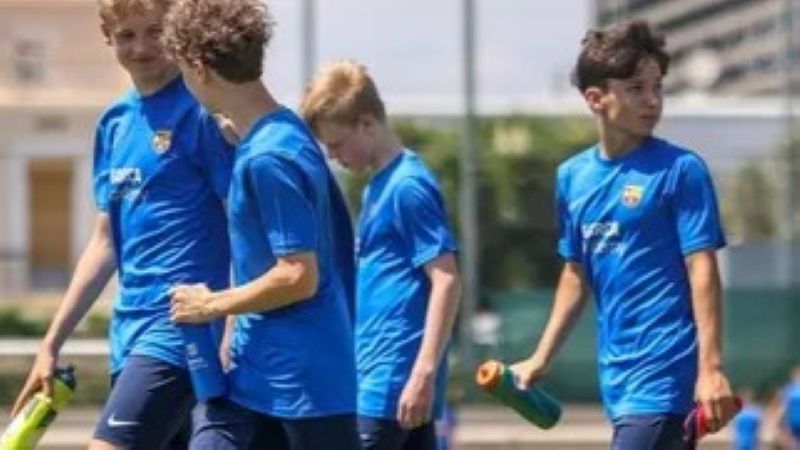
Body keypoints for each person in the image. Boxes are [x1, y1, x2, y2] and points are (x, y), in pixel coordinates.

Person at [9, 0, 233, 449]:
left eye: (155, 32)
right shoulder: (114, 123)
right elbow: (105, 241)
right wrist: (51, 343)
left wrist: (232, 322)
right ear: (107, 37)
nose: (141, 47)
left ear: (175, 31)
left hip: (181, 329)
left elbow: (242, 224)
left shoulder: (201, 112)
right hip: (126, 332)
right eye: (127, 35)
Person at [508, 20, 739, 449]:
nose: (652, 100)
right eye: (636, 89)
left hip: (666, 379)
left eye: (657, 87)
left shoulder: (681, 170)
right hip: (618, 383)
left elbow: (702, 268)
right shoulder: (572, 177)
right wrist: (541, 358)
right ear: (596, 99)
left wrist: (710, 369)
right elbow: (576, 273)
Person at [162, 1, 360, 449]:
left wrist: (211, 305)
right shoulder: (278, 132)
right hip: (255, 381)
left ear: (199, 68)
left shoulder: (270, 157)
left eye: (183, 71)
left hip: (303, 390)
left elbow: (298, 275)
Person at [300, 60, 462, 450]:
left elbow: (446, 279)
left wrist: (423, 372)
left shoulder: (408, 186)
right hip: (382, 379)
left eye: (337, 144)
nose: (333, 156)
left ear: (367, 123)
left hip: (392, 379)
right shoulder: (378, 186)